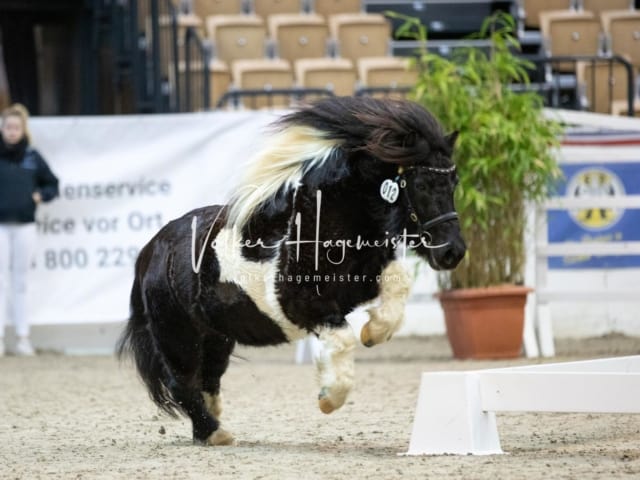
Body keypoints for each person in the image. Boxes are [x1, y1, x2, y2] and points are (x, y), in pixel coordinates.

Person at [0, 103, 59, 356]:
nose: (12, 132)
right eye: (8, 127)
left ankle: (23, 336)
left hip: (25, 225)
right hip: (1, 225)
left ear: (23, 129)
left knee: (20, 281)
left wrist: (40, 195)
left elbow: (52, 184)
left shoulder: (32, 157)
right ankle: (1, 338)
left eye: (16, 127)